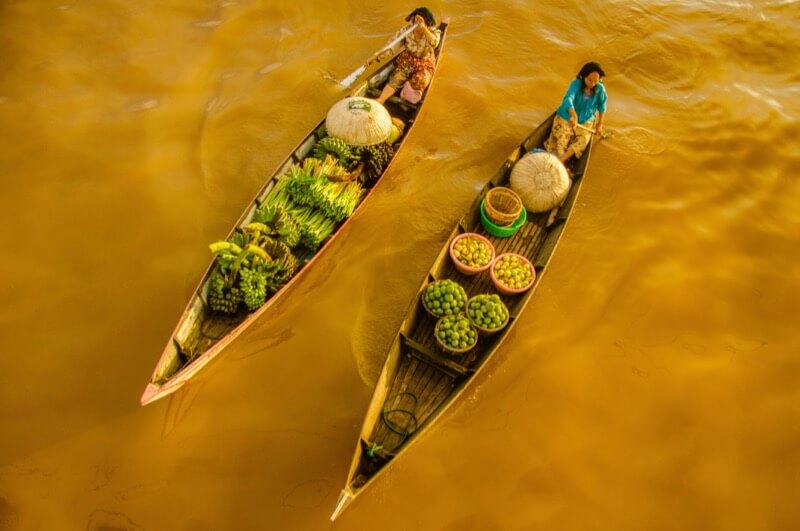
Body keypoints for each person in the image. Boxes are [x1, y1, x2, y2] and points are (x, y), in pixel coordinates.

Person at [544, 62, 608, 165]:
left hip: (586, 122)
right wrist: (573, 115)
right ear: (583, 77)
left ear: (600, 79)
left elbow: (602, 107)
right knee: (561, 139)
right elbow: (568, 98)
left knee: (583, 141)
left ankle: (562, 159)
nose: (592, 83)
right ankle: (561, 159)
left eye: (595, 81)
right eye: (589, 80)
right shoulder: (576, 84)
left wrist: (600, 124)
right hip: (567, 117)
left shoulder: (600, 89)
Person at [375, 8, 441, 104]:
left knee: (419, 81)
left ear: (426, 23)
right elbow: (392, 45)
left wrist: (424, 29)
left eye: (420, 22)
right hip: (407, 60)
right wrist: (377, 56)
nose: (416, 24)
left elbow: (435, 43)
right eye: (415, 21)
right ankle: (382, 99)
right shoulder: (406, 30)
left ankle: (407, 96)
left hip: (424, 64)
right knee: (396, 78)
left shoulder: (433, 32)